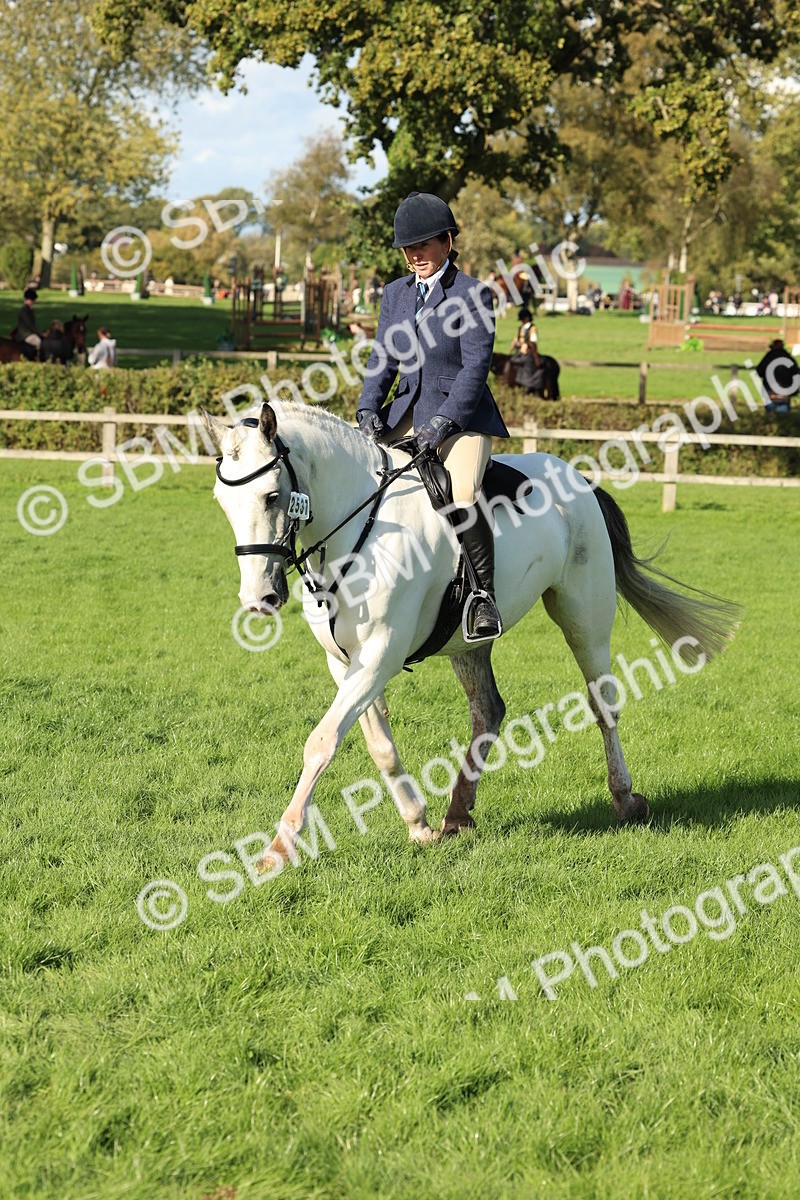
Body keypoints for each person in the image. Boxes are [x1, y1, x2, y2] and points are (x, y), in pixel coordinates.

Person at [355, 190, 508, 640]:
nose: (415, 255)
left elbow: (475, 369)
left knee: (462, 490)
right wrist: (367, 408)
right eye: (409, 248)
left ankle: (482, 597)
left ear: (446, 242)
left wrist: (444, 423)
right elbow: (382, 359)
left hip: (462, 417)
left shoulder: (472, 294)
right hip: (405, 412)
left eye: (423, 245)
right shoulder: (395, 296)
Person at [755, 339, 800, 413]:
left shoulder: (768, 357)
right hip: (785, 391)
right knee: (783, 414)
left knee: (770, 414)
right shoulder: (788, 357)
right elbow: (796, 372)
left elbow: (759, 371)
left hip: (770, 390)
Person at [16, 288, 42, 358]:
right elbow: (30, 325)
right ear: (27, 299)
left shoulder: (29, 309)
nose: (34, 302)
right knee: (38, 341)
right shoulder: (24, 311)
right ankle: (36, 359)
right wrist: (40, 333)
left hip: (29, 332)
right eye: (33, 300)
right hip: (24, 334)